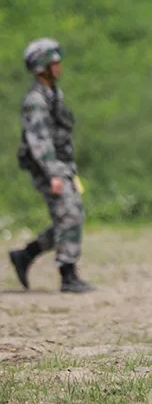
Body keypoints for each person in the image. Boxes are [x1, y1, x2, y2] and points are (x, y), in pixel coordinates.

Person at [8, 39, 94, 294]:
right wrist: (53, 174)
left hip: (62, 165)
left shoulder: (53, 93)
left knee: (69, 216)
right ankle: (67, 275)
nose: (59, 67)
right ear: (41, 67)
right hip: (49, 167)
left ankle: (26, 254)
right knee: (69, 215)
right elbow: (39, 141)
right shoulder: (35, 100)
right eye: (54, 63)